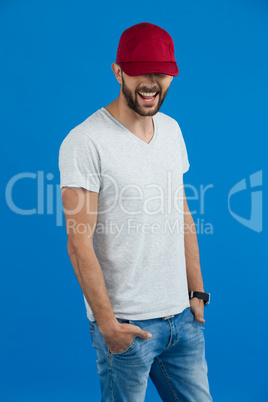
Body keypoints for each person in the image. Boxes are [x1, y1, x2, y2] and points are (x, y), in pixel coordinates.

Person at [58, 22, 213, 401]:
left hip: (182, 320)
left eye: (160, 72)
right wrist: (109, 326)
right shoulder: (85, 141)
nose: (150, 82)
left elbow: (182, 215)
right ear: (118, 71)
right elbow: (79, 244)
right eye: (140, 70)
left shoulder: (172, 130)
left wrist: (197, 292)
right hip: (128, 328)